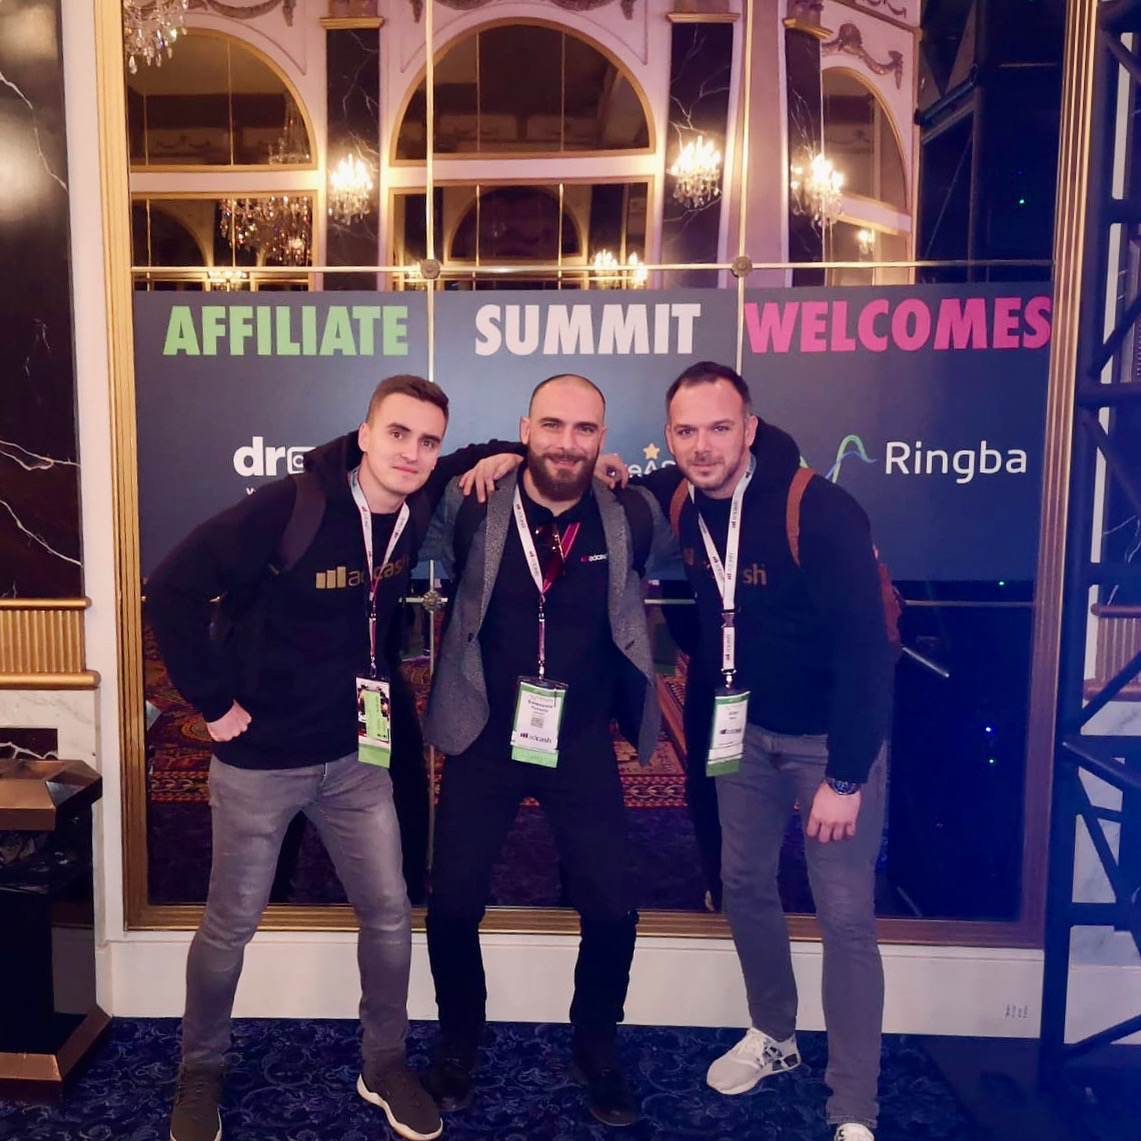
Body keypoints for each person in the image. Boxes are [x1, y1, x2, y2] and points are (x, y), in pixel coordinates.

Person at [148, 374, 521, 1141]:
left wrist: (516, 450)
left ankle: (383, 1062)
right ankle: (200, 1066)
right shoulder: (292, 506)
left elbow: (486, 454)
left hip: (355, 759)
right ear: (365, 433)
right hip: (260, 763)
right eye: (397, 433)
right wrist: (212, 701)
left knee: (388, 911)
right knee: (229, 924)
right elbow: (173, 587)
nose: (411, 452)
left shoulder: (419, 498)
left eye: (427, 440)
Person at [636, 361, 893, 1141]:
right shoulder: (678, 496)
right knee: (743, 884)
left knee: (844, 917)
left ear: (749, 428)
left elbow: (866, 652)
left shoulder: (818, 509)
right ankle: (774, 1033)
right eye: (686, 431)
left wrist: (845, 775)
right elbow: (613, 490)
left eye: (720, 427)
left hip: (827, 743)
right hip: (738, 735)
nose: (703, 445)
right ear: (669, 436)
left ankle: (852, 1104)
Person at [418, 373, 676, 1128]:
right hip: (483, 733)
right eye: (551, 426)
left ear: (604, 440)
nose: (567, 443)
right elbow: (388, 475)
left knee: (612, 908)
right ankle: (459, 1039)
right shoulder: (472, 502)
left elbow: (717, 478)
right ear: (525, 429)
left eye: (584, 430)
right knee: (452, 902)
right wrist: (495, 453)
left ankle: (596, 1045)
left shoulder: (631, 512)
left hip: (581, 739)